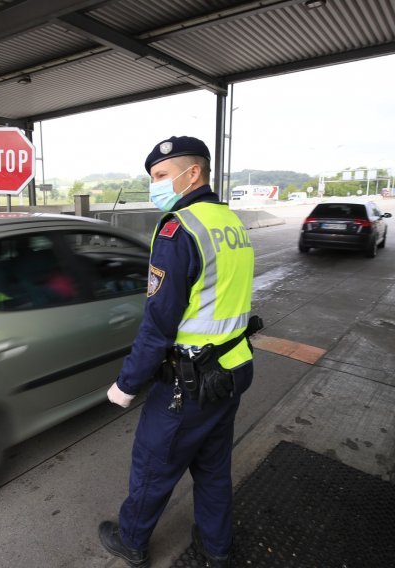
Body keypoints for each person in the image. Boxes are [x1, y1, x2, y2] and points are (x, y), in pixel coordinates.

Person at [98, 136, 256, 568]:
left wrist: (128, 384)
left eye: (162, 176)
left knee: (153, 465)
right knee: (212, 466)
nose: (156, 185)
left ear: (193, 173)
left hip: (189, 380)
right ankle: (216, 547)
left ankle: (130, 541)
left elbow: (159, 322)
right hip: (233, 366)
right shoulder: (229, 221)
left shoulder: (178, 228)